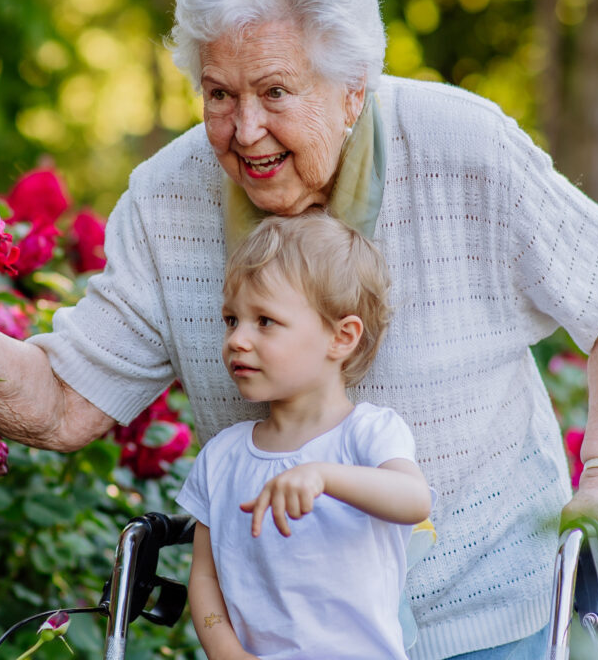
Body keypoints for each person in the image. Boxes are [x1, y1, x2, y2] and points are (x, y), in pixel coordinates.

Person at [0, 0, 598, 659]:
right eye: (219, 94)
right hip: (286, 640)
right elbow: (63, 404)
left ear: (354, 90)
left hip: (493, 615)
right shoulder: (169, 199)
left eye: (276, 93)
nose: (244, 131)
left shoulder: (462, 146)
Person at [178, 212, 431, 660]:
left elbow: (414, 499)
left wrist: (324, 476)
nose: (237, 339)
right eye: (231, 319)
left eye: (265, 321)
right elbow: (205, 577)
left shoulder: (367, 433)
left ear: (341, 337)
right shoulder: (222, 457)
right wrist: (227, 652)